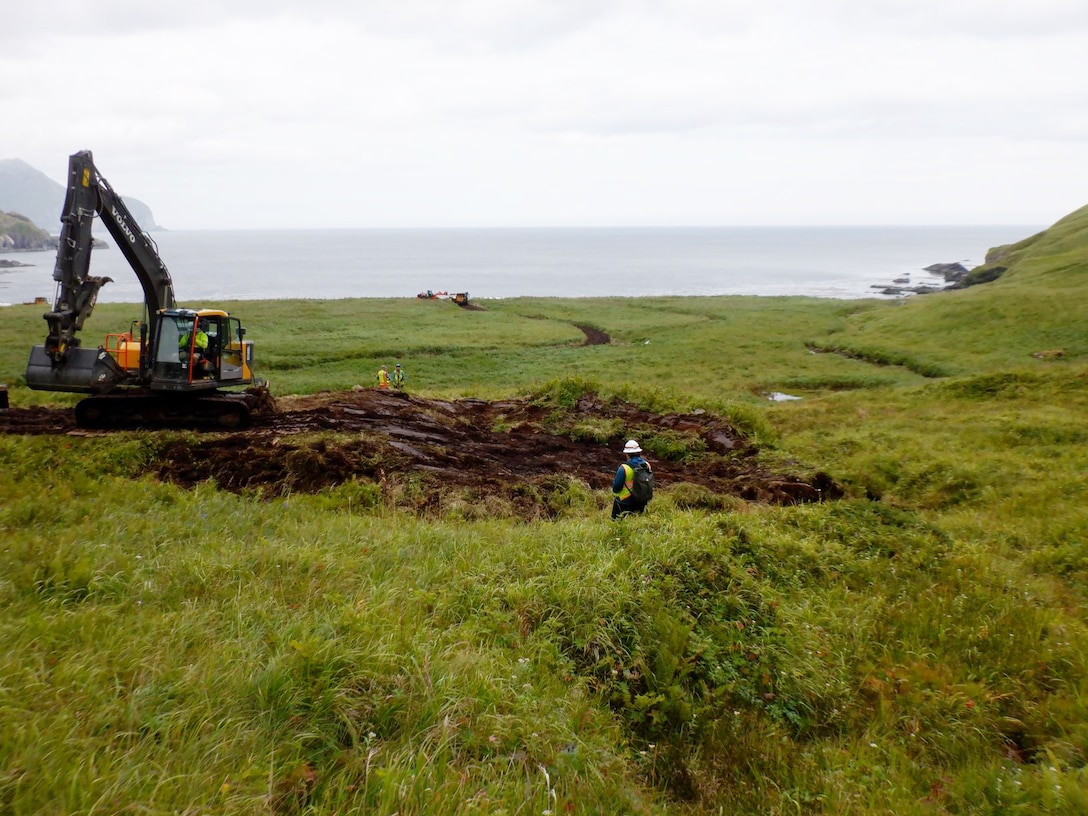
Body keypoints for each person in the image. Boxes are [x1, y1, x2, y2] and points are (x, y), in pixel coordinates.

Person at [612, 439, 653, 519]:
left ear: (627, 454)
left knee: (616, 521)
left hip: (624, 501)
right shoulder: (647, 465)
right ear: (639, 452)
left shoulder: (624, 468)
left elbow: (616, 488)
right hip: (642, 501)